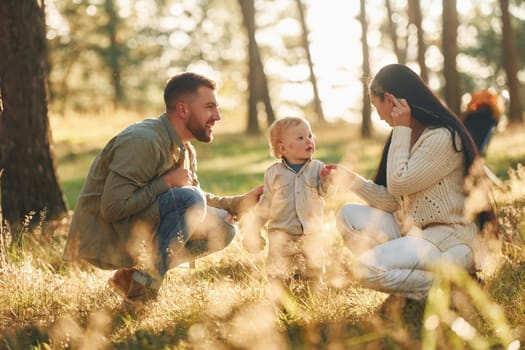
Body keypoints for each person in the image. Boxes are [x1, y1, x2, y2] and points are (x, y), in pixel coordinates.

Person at [63, 72, 263, 305]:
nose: (217, 116)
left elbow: (192, 197)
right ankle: (142, 292)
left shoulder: (185, 149)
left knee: (224, 227)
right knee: (190, 199)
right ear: (183, 110)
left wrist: (238, 204)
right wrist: (166, 182)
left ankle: (131, 279)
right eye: (209, 107)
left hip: (139, 228)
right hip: (107, 239)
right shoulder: (143, 141)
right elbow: (112, 209)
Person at [330, 64, 496, 301]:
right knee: (347, 215)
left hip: (448, 240)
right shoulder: (409, 134)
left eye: (377, 106)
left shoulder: (442, 137)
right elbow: (393, 200)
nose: (378, 115)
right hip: (417, 234)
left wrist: (400, 128)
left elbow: (399, 183)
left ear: (390, 99)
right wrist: (351, 180)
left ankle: (441, 288)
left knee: (363, 269)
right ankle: (405, 280)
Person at [242, 116, 332, 288]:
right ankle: (281, 299)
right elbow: (265, 205)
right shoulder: (274, 174)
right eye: (300, 138)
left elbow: (325, 192)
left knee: (313, 270)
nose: (308, 141)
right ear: (282, 148)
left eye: (310, 136)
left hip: (311, 233)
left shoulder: (318, 169)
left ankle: (313, 295)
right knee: (278, 272)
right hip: (281, 234)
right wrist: (253, 229)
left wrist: (329, 181)